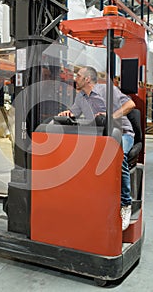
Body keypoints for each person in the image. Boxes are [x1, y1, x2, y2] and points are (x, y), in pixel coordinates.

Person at [58, 66, 135, 231]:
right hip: (101, 135)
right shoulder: (81, 97)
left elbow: (131, 104)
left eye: (78, 76)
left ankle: (125, 204)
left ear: (86, 79)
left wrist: (110, 117)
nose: (74, 78)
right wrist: (67, 114)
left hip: (123, 133)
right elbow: (74, 113)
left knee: (117, 156)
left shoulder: (107, 90)